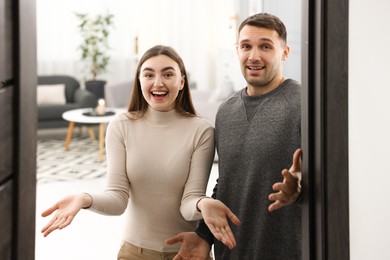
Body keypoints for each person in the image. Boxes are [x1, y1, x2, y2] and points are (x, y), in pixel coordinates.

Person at [41, 45, 238, 260]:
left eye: (168, 74)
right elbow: (117, 199)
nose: (158, 83)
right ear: (139, 81)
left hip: (187, 252)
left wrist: (203, 203)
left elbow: (188, 204)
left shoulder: (201, 131)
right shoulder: (120, 126)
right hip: (134, 253)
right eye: (149, 74)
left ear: (181, 82)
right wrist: (84, 199)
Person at [166, 13, 303, 259]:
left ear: (285, 52)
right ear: (237, 50)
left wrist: (299, 188)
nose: (254, 56)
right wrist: (204, 236)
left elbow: (327, 180)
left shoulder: (305, 104)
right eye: (246, 46)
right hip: (230, 251)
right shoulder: (226, 110)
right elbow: (227, 182)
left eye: (265, 46)